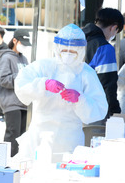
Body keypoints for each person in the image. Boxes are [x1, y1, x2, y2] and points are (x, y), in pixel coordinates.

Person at [14, 24, 108, 159]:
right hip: (39, 135)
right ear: (57, 48)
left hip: (69, 139)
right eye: (64, 50)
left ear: (81, 50)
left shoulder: (86, 73)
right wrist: (43, 84)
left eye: (73, 52)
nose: (68, 54)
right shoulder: (43, 66)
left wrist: (80, 100)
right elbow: (20, 85)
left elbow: (99, 109)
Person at [0, 29, 31, 157]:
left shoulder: (24, 59)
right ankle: (8, 163)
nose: (25, 46)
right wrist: (21, 76)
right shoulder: (6, 58)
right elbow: (4, 80)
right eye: (23, 43)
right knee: (13, 135)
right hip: (11, 103)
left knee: (21, 137)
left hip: (23, 102)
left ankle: (18, 163)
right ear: (15, 40)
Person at [83, 8, 122, 117]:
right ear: (114, 27)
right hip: (93, 109)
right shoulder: (104, 48)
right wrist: (114, 111)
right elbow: (108, 84)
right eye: (116, 32)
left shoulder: (77, 40)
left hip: (69, 104)